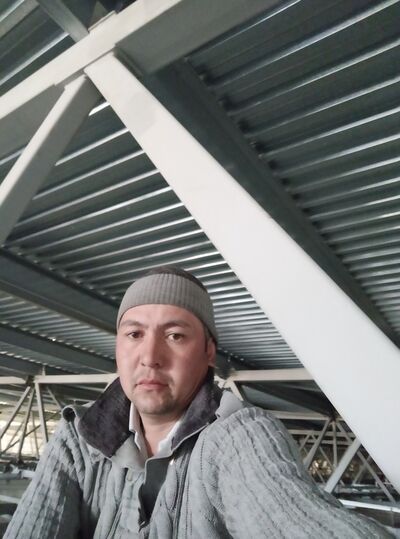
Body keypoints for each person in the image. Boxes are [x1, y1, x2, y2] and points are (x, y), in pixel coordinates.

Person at [5, 266, 392, 538]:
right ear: (118, 347)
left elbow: (296, 517)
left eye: (175, 336)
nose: (150, 356)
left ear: (208, 352)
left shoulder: (237, 439)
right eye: (135, 334)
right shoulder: (76, 441)